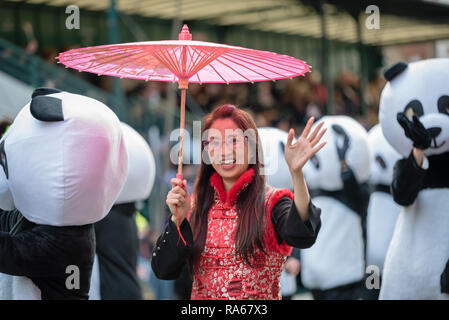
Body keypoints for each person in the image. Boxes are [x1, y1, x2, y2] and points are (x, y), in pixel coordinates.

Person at [151, 104, 325, 300]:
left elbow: (302, 234)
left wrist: (297, 174)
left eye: (234, 141)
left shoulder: (272, 202)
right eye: (214, 142)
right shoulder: (195, 204)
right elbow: (164, 270)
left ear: (252, 149)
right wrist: (178, 220)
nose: (224, 151)